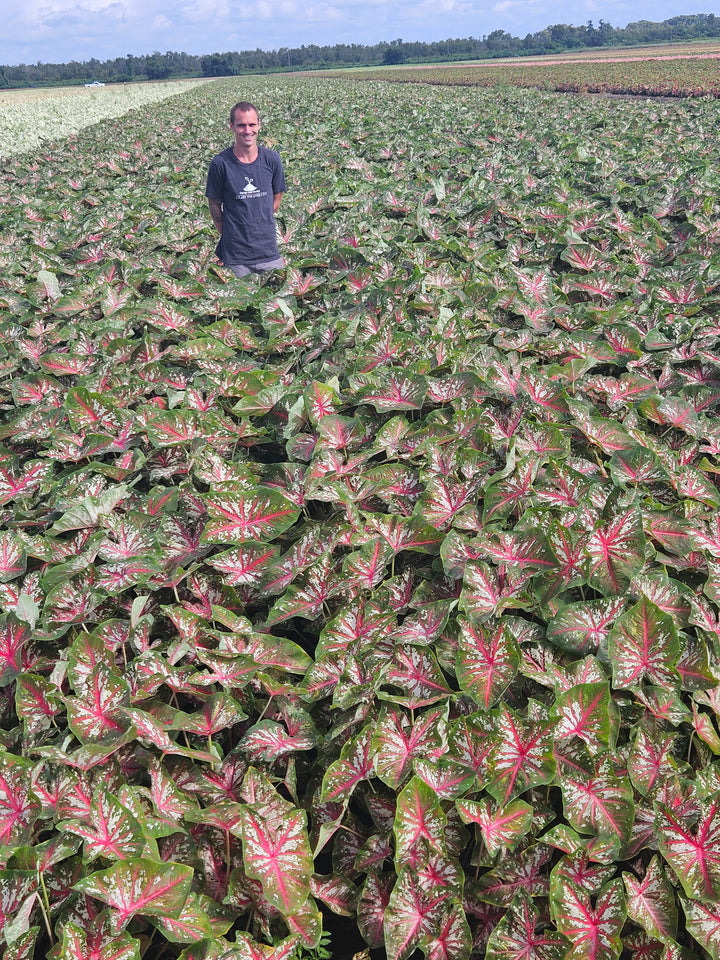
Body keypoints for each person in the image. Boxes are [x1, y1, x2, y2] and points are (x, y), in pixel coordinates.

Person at [205, 101, 286, 278]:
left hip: (268, 252)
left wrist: (258, 221)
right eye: (241, 125)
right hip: (236, 257)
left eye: (251, 124)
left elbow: (276, 199)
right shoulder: (221, 164)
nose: (247, 131)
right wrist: (231, 234)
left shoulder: (272, 160)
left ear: (259, 125)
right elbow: (214, 206)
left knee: (275, 301)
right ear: (232, 127)